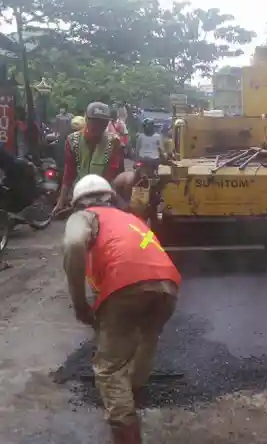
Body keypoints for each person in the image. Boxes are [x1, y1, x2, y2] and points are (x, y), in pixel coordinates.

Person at [63, 174, 181, 443]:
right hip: (168, 283)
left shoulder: (85, 216)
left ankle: (126, 431)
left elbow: (72, 244)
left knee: (109, 368)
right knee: (144, 343)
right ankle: (132, 396)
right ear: (110, 198)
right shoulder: (129, 218)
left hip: (125, 285)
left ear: (79, 204)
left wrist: (80, 305)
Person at [53, 102, 123, 215]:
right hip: (79, 194)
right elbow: (69, 173)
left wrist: (104, 198)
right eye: (94, 122)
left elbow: (111, 172)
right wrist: (61, 200)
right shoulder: (72, 140)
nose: (98, 126)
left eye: (103, 123)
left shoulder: (114, 142)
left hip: (103, 195)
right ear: (87, 120)